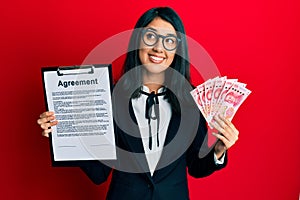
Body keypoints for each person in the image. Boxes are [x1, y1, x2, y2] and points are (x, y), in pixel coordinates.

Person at [37, 7, 239, 200]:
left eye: (169, 40)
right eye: (150, 37)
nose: (158, 48)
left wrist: (219, 149)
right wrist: (62, 132)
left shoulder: (190, 101)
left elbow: (196, 166)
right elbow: (99, 173)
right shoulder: (111, 97)